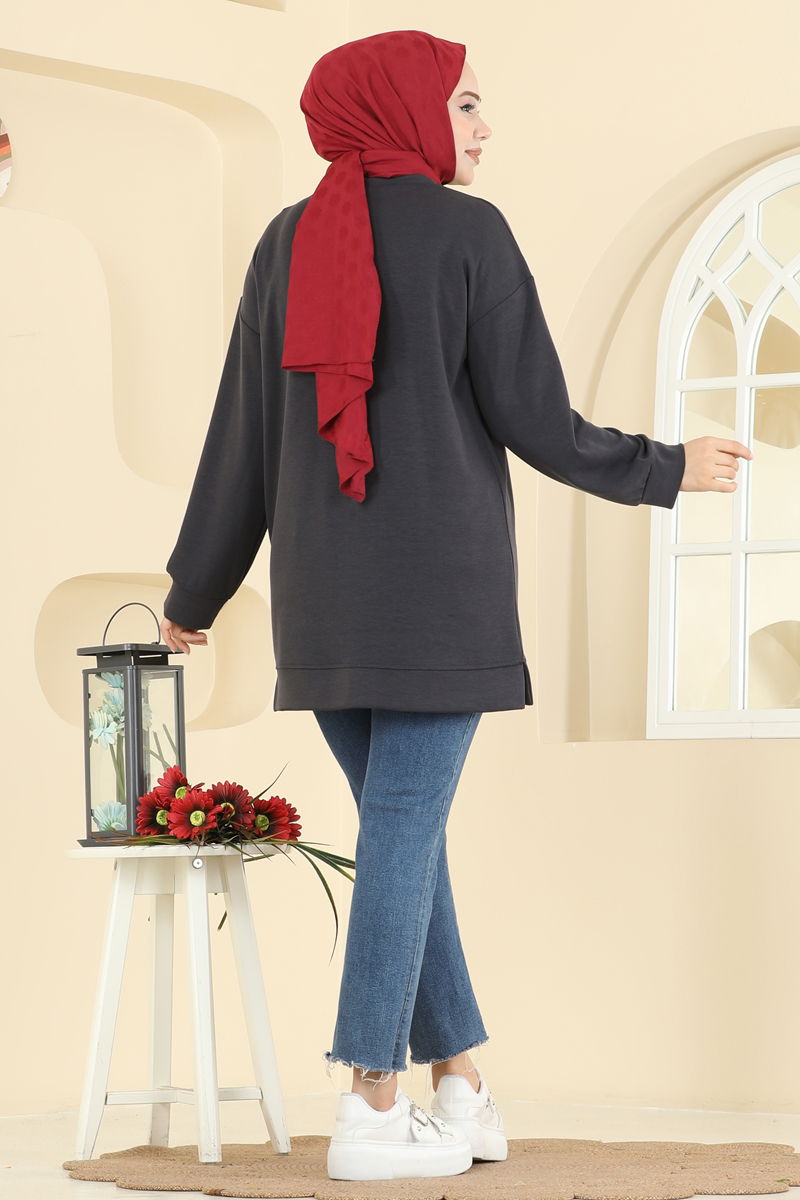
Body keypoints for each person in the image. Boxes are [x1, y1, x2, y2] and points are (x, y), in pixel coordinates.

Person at [160, 30, 753, 1182]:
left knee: (402, 835)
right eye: (465, 102)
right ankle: (370, 1106)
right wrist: (665, 466)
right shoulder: (467, 234)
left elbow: (240, 437)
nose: (482, 126)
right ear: (400, 108)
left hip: (322, 605)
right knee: (401, 832)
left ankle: (462, 1089)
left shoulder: (285, 242)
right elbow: (536, 420)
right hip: (440, 597)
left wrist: (197, 586)